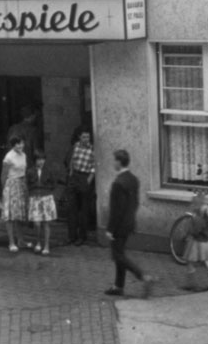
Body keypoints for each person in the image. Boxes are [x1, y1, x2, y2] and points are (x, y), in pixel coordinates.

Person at [104, 149, 156, 298]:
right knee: (119, 253)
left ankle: (143, 276)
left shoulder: (118, 183)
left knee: (117, 255)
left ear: (119, 162)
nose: (113, 163)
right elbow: (135, 203)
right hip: (129, 222)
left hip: (119, 226)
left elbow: (116, 210)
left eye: (114, 160)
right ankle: (118, 286)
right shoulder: (133, 179)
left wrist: (110, 229)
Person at [181, 190, 208, 292]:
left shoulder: (197, 216)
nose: (191, 204)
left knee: (189, 261)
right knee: (206, 261)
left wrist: (186, 234)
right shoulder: (207, 214)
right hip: (207, 241)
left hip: (197, 242)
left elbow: (194, 229)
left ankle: (192, 284)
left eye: (193, 202)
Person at [1, 136, 32, 252]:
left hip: (21, 184)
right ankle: (11, 242)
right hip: (11, 186)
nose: (20, 146)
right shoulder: (8, 157)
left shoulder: (24, 155)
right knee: (10, 215)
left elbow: (24, 172)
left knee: (19, 215)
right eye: (17, 144)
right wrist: (4, 191)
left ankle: (21, 241)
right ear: (13, 145)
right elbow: (3, 175)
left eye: (22, 143)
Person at [66, 127, 95, 246]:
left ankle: (82, 237)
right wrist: (71, 173)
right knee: (71, 208)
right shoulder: (76, 146)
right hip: (74, 177)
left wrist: (88, 180)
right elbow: (71, 161)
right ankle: (72, 236)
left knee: (84, 210)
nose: (85, 139)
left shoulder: (92, 149)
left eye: (87, 137)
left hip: (84, 177)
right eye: (83, 137)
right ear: (79, 137)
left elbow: (94, 167)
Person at [27, 150, 58, 256]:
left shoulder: (49, 171)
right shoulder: (30, 171)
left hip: (46, 198)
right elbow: (27, 185)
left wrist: (47, 191)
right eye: (38, 159)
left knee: (46, 223)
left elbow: (54, 184)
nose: (41, 162)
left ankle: (46, 245)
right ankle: (38, 242)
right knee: (36, 223)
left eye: (42, 159)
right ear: (35, 160)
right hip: (35, 198)